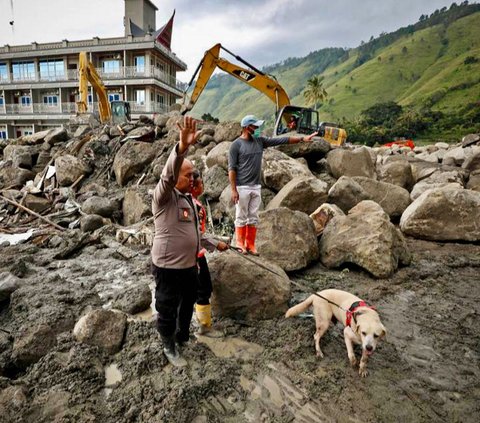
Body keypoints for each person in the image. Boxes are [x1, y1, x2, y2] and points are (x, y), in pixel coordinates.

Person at [151, 115, 227, 367]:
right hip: (168, 267)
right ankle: (168, 345)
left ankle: (183, 336)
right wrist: (181, 149)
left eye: (195, 175)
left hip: (188, 266)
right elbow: (168, 175)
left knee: (187, 305)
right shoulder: (164, 197)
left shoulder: (188, 201)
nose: (193, 179)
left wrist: (216, 243)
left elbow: (197, 235)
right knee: (167, 307)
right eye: (189, 175)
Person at [228, 114, 317, 255]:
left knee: (253, 216)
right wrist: (233, 190)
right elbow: (232, 169)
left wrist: (302, 139)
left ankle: (250, 244)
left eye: (257, 126)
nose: (257, 128)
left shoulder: (260, 141)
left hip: (256, 186)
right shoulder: (236, 145)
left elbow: (282, 140)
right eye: (254, 126)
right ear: (246, 127)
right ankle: (240, 243)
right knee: (241, 216)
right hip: (242, 187)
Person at [190, 170, 224, 337]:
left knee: (197, 290)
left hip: (191, 254)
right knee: (203, 290)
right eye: (201, 183)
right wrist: (217, 243)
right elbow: (198, 234)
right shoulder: (195, 206)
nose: (203, 186)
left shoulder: (190, 203)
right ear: (194, 187)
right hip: (195, 256)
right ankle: (204, 327)